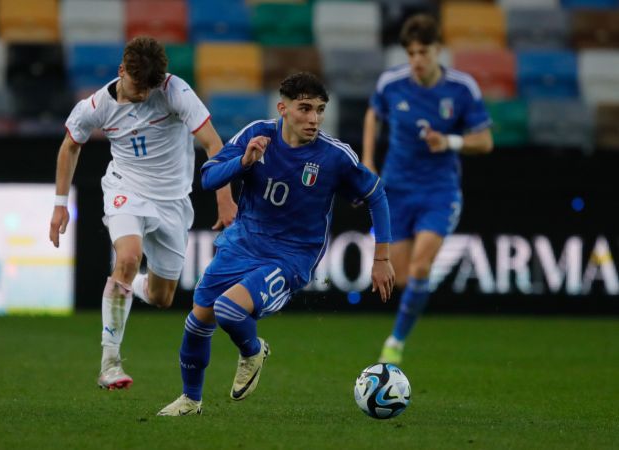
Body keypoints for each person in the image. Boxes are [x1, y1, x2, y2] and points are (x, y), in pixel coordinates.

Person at [157, 72, 395, 416]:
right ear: (283, 108)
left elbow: (377, 194)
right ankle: (190, 400)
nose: (313, 118)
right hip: (242, 243)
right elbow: (209, 176)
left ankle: (252, 350)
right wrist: (244, 162)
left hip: (291, 256)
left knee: (228, 310)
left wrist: (381, 257)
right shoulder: (257, 134)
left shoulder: (334, 155)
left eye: (319, 110)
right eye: (304, 109)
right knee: (198, 320)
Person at [48, 36, 237, 390]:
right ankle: (110, 363)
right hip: (126, 190)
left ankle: (128, 285)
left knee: (164, 297)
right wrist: (59, 206)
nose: (145, 95)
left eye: (151, 87)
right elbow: (70, 146)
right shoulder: (96, 105)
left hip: (173, 202)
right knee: (129, 256)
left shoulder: (175, 92)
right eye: (138, 87)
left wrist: (225, 201)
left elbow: (214, 144)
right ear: (122, 71)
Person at [362, 14, 493, 365]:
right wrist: (368, 160)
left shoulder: (462, 89)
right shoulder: (391, 83)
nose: (417, 60)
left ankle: (396, 342)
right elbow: (373, 114)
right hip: (397, 190)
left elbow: (484, 141)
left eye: (424, 52)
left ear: (439, 50)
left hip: (439, 190)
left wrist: (449, 141)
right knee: (403, 276)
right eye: (411, 53)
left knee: (421, 268)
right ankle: (404, 325)